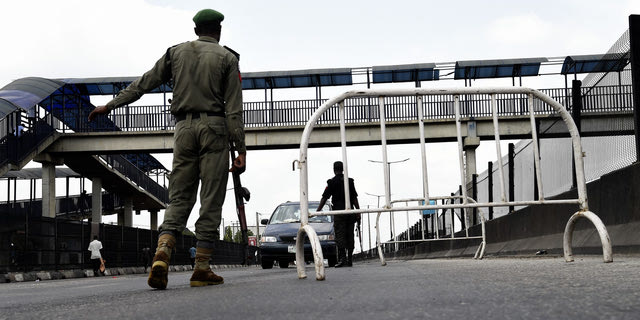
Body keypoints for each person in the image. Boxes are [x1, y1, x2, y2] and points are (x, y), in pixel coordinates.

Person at [88, 8, 246, 289]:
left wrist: (109, 105)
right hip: (215, 130)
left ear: (196, 30)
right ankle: (201, 268)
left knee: (179, 197)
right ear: (218, 31)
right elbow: (233, 111)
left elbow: (143, 84)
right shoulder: (227, 58)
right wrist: (241, 150)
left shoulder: (176, 53)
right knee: (210, 198)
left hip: (183, 130)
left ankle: (163, 251)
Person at [317, 161, 360, 267]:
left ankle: (342, 259)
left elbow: (325, 197)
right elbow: (354, 198)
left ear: (333, 169)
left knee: (340, 235)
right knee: (350, 235)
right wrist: (358, 212)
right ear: (343, 169)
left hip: (339, 213)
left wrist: (318, 211)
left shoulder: (332, 182)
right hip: (351, 212)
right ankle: (350, 259)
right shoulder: (349, 181)